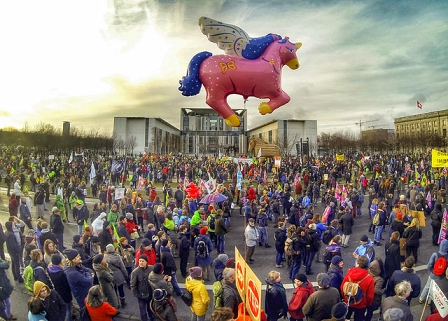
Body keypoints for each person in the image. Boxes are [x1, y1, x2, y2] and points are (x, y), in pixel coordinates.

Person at [340, 255, 375, 320]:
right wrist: (368, 304)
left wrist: (345, 299)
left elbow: (342, 287)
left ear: (358, 264)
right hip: (361, 304)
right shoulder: (369, 278)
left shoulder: (349, 273)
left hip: (349, 300)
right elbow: (370, 296)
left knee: (346, 317)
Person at [64, 249, 93, 321]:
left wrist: (87, 273)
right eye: (77, 256)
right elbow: (89, 282)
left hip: (86, 295)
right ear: (73, 260)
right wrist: (89, 274)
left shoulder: (78, 265)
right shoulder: (72, 273)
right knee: (86, 315)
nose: (80, 257)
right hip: (83, 298)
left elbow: (87, 270)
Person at [419, 239, 448, 304]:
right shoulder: (447, 257)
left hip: (433, 274)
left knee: (427, 286)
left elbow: (429, 265)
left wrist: (433, 270)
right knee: (435, 289)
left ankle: (421, 298)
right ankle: (429, 302)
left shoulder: (435, 254)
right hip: (441, 276)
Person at [47, 254, 73, 321]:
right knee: (68, 309)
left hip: (57, 292)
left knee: (61, 308)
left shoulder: (49, 269)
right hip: (65, 294)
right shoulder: (61, 273)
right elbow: (67, 285)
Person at [130, 254, 155, 321]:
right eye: (140, 261)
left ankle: (152, 318)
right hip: (141, 296)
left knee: (151, 309)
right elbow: (133, 286)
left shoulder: (151, 268)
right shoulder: (135, 272)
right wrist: (138, 295)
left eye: (143, 261)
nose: (141, 262)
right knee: (143, 312)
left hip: (150, 294)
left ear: (146, 262)